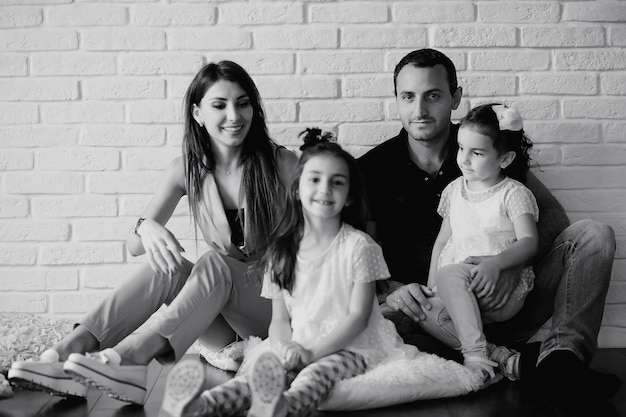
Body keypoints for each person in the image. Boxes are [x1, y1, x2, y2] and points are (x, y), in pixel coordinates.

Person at [8, 61, 298, 405]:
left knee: (214, 262)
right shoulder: (185, 170)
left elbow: (322, 243)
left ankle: (132, 358)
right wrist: (146, 228)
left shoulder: (282, 164)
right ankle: (64, 356)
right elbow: (134, 246)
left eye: (243, 102)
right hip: (223, 326)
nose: (234, 115)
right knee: (165, 266)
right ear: (198, 114)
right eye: (219, 105)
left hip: (275, 310)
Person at [358, 48, 620, 399]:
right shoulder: (370, 170)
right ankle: (510, 360)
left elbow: (553, 219)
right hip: (435, 315)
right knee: (372, 327)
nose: (419, 110)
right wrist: (392, 288)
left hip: (509, 301)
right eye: (408, 97)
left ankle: (562, 359)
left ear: (455, 97)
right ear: (396, 100)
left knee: (594, 235)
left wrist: (508, 265)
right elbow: (352, 251)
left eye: (433, 95)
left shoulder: (483, 143)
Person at [159, 129, 417, 417]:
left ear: (349, 197)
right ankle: (200, 405)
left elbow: (357, 320)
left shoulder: (360, 247)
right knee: (257, 377)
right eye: (315, 180)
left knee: (314, 375)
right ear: (296, 190)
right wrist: (283, 348)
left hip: (355, 348)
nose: (324, 189)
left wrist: (312, 355)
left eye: (337, 182)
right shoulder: (282, 252)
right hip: (301, 342)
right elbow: (280, 319)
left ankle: (282, 407)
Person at [418, 103, 539, 384]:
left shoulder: (512, 193)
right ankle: (499, 357)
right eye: (461, 148)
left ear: (505, 159)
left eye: (477, 153)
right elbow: (442, 242)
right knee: (422, 311)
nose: (464, 159)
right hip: (459, 291)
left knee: (450, 275)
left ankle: (474, 356)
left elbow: (530, 242)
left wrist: (497, 265)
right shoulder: (454, 190)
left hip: (498, 288)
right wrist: (430, 286)